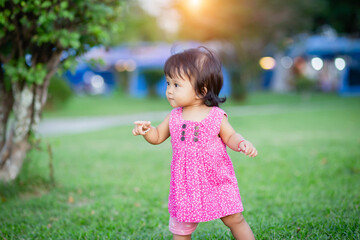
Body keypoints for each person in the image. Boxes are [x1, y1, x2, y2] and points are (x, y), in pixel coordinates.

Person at [132, 47, 258, 240]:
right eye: (168, 83)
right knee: (181, 230)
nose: (169, 91)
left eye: (176, 84)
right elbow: (157, 137)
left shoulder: (215, 116)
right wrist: (147, 131)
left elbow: (230, 136)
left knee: (234, 218)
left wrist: (241, 143)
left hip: (216, 180)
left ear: (202, 89)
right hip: (185, 186)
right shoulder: (174, 117)